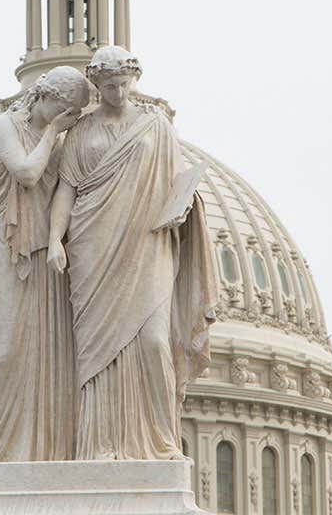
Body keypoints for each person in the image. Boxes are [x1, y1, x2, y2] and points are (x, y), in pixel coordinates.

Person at [48, 47, 217, 460]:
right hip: (92, 247)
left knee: (155, 342)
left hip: (148, 244)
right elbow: (66, 189)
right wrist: (54, 240)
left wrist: (183, 207)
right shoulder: (80, 132)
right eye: (110, 86)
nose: (119, 93)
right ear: (97, 86)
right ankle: (99, 444)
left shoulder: (157, 127)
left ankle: (159, 442)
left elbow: (177, 182)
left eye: (124, 85)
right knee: (95, 353)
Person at [0, 66, 90, 462]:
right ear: (47, 97)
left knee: (49, 354)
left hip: (45, 251)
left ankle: (46, 450)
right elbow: (27, 173)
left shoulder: (66, 139)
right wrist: (54, 133)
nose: (68, 117)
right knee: (6, 352)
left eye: (74, 113)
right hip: (7, 241)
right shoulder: (3, 126)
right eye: (66, 109)